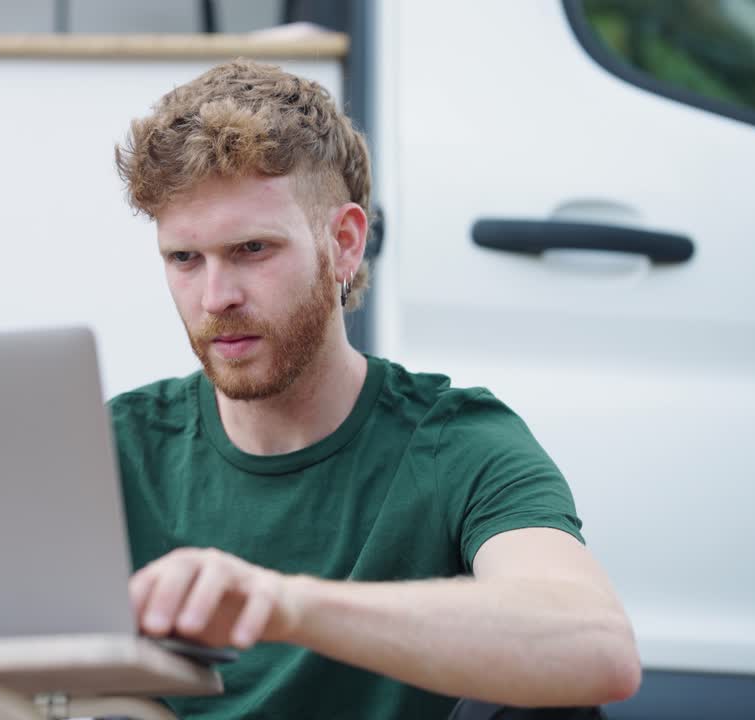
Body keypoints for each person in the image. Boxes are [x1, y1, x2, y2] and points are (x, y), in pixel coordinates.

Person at [108, 59, 641, 719]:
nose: (216, 297)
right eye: (185, 258)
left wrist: (286, 605)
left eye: (252, 249)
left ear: (345, 243)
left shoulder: (457, 442)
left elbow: (597, 649)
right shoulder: (115, 449)